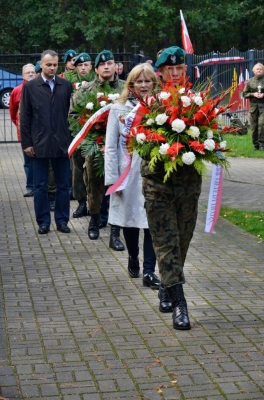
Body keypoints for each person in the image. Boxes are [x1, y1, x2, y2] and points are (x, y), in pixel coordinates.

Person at [140, 46, 202, 329]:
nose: (175, 73)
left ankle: (167, 285)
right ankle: (180, 303)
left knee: (182, 240)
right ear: (161, 72)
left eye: (180, 69)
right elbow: (138, 144)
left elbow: (209, 129)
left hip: (189, 185)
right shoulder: (150, 104)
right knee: (166, 242)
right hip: (158, 185)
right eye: (170, 69)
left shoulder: (196, 101)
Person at [105, 64, 161, 290]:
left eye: (148, 81)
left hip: (153, 174)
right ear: (131, 84)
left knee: (151, 222)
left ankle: (149, 271)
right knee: (129, 221)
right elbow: (110, 147)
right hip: (126, 174)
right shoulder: (118, 109)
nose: (144, 85)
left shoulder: (160, 107)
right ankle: (132, 257)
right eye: (139, 81)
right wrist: (112, 179)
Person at [70, 49, 125, 251]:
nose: (106, 67)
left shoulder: (126, 89)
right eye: (102, 64)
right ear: (96, 68)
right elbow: (74, 118)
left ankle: (115, 232)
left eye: (109, 63)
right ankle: (94, 220)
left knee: (118, 188)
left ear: (115, 65)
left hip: (120, 148)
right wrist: (92, 141)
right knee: (93, 185)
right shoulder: (85, 91)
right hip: (94, 148)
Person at [20, 49, 73, 235]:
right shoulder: (31, 87)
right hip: (39, 144)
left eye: (55, 65)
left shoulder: (65, 85)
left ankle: (62, 220)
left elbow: (71, 115)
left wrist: (71, 140)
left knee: (63, 186)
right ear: (40, 65)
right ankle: (43, 222)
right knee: (40, 186)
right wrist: (27, 143)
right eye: (48, 64)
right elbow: (24, 117)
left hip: (62, 143)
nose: (52, 68)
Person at [70, 52, 95, 218]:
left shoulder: (97, 82)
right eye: (80, 65)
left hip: (95, 135)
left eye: (86, 65)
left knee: (94, 171)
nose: (83, 68)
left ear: (91, 66)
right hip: (77, 134)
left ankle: (97, 204)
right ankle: (81, 203)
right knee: (77, 170)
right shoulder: (68, 83)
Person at [9, 63, 36, 197]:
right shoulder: (17, 90)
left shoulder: (40, 88)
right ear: (23, 75)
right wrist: (20, 126)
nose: (31, 74)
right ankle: (30, 187)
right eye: (28, 73)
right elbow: (13, 112)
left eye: (32, 72)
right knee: (28, 161)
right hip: (25, 133)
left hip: (40, 132)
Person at [243, 63, 264, 150]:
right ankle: (255, 145)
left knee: (262, 124)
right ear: (253, 71)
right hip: (253, 107)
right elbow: (244, 94)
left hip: (263, 106)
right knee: (254, 126)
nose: (259, 70)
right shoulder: (250, 81)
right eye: (257, 69)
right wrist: (253, 94)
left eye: (261, 69)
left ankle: (262, 144)